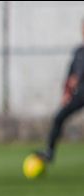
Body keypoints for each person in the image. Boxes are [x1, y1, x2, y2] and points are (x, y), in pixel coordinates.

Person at [36, 19, 84, 165]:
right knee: (58, 117)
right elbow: (70, 75)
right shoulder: (78, 52)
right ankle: (49, 152)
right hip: (80, 94)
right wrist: (67, 93)